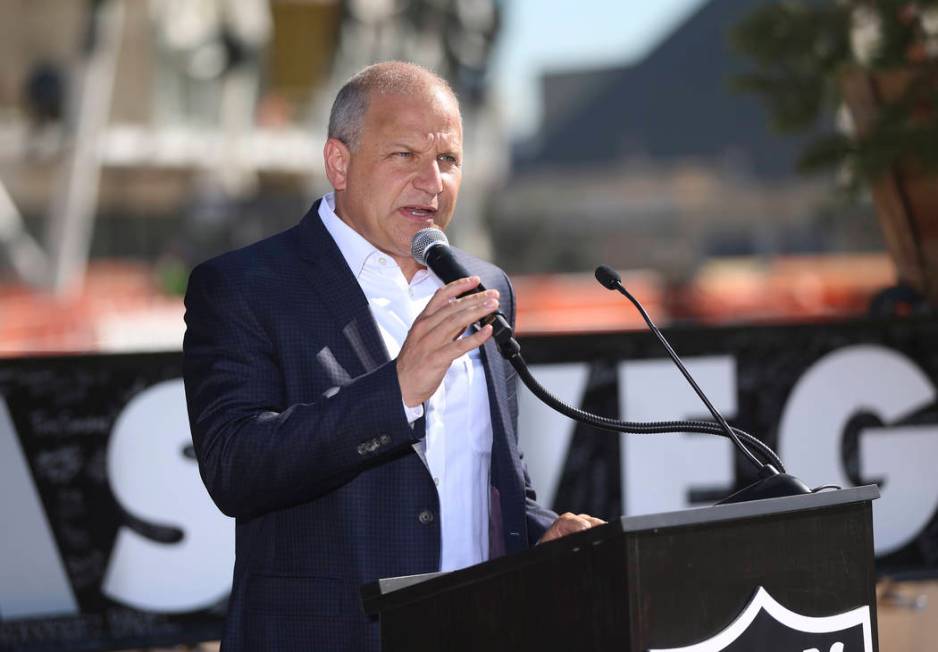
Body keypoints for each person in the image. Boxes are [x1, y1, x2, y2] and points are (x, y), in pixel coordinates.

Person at [182, 61, 603, 651]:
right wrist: (397, 390)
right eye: (404, 155)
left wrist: (542, 532)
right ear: (339, 162)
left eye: (448, 160)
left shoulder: (485, 288)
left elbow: (490, 480)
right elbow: (236, 468)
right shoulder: (245, 286)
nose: (432, 182)